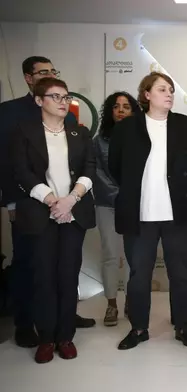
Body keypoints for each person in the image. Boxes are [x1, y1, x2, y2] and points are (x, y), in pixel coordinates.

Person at [0, 56, 94, 349]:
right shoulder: (23, 131)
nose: (62, 101)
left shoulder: (79, 132)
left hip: (73, 213)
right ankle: (45, 338)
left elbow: (89, 170)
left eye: (65, 97)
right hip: (39, 212)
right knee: (42, 276)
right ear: (40, 100)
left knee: (68, 276)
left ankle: (65, 337)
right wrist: (53, 200)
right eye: (56, 97)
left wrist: (69, 201)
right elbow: (21, 171)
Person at [109, 72, 187, 350]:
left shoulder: (184, 126)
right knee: (139, 275)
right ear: (147, 94)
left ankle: (182, 325)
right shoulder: (127, 128)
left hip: (179, 215)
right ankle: (139, 328)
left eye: (171, 90)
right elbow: (115, 166)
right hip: (139, 215)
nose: (169, 94)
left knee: (181, 273)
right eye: (163, 89)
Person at [94, 91, 141, 327]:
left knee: (135, 257)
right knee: (111, 255)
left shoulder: (143, 137)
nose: (121, 110)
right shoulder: (99, 140)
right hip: (108, 204)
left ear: (134, 111)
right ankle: (111, 303)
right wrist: (120, 195)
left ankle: (131, 301)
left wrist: (132, 196)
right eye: (116, 106)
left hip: (137, 205)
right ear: (110, 112)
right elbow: (98, 174)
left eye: (126, 106)